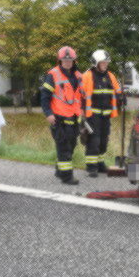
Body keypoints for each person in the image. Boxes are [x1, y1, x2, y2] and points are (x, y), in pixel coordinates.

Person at [40, 46, 85, 185]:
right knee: (64, 147)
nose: (67, 62)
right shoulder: (53, 74)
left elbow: (82, 97)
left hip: (74, 119)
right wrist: (48, 113)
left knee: (71, 146)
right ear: (60, 60)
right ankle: (67, 177)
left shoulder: (78, 76)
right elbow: (44, 96)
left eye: (70, 60)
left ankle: (60, 170)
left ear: (74, 60)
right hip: (58, 119)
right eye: (65, 60)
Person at [81, 50, 124, 177]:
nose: (105, 64)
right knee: (94, 141)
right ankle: (91, 167)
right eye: (103, 62)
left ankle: (100, 164)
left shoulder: (110, 76)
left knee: (104, 141)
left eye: (106, 62)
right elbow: (80, 95)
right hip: (91, 115)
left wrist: (121, 97)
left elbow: (117, 90)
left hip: (106, 115)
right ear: (96, 63)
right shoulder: (87, 76)